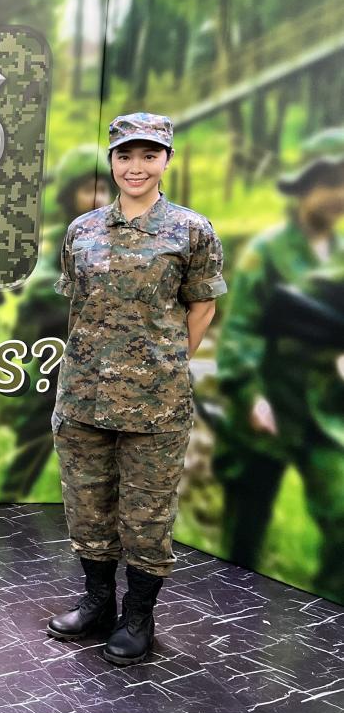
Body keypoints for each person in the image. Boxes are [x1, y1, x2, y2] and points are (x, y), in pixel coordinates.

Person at [47, 113, 226, 666]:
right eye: (126, 156)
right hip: (82, 399)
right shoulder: (82, 230)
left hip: (156, 404)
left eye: (149, 155)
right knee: (88, 509)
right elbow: (77, 306)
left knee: (146, 516)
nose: (136, 167)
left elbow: (202, 306)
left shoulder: (191, 230)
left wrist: (165, 363)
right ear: (112, 161)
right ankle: (98, 603)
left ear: (167, 160)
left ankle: (138, 615)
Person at [213, 128, 344, 599]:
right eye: (328, 182)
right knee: (244, 536)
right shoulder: (267, 251)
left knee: (342, 521)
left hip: (324, 410)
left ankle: (331, 631)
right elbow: (240, 330)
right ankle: (228, 623)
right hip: (267, 407)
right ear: (304, 188)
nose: (338, 195)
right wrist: (249, 396)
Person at [0, 146, 112, 501]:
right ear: (67, 195)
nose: (97, 197)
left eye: (104, 189)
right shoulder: (66, 238)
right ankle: (9, 504)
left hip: (108, 365)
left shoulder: (121, 235)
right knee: (32, 441)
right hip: (54, 359)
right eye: (86, 188)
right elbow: (41, 288)